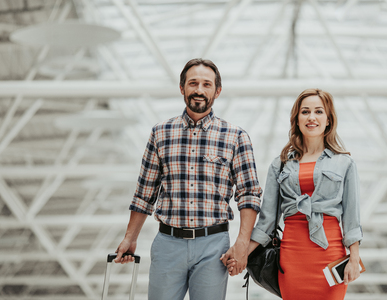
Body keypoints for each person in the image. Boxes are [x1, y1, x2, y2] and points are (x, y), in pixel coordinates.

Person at [114, 58, 262, 300]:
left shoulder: (236, 137)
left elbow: (249, 194)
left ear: (218, 91)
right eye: (193, 83)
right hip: (167, 243)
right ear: (182, 88)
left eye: (207, 84)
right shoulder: (160, 133)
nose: (199, 90)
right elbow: (145, 192)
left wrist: (242, 243)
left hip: (213, 246)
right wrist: (130, 237)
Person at [227, 88, 363, 299]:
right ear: (297, 120)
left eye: (319, 112)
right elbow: (267, 222)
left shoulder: (344, 163)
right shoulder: (280, 165)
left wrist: (354, 258)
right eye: (305, 112)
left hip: (330, 257)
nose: (311, 117)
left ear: (328, 120)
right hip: (291, 259)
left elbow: (351, 219)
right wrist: (241, 250)